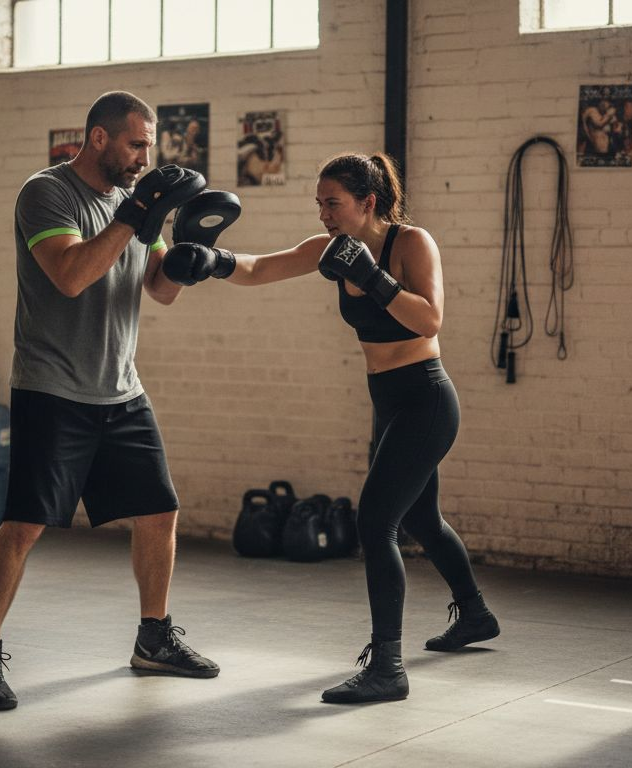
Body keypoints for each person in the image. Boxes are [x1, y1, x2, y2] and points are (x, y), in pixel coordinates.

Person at [161, 152, 500, 704]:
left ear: (368, 202)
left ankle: (387, 667)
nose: (323, 214)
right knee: (421, 518)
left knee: (376, 522)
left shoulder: (412, 244)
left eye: (333, 203)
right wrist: (212, 260)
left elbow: (430, 319)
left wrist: (372, 276)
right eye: (319, 203)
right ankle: (476, 614)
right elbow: (261, 268)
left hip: (427, 399)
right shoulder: (329, 249)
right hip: (388, 403)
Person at [0, 91, 217, 711]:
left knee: (158, 512)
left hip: (121, 387)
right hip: (53, 387)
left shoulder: (136, 205)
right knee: (24, 525)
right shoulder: (47, 193)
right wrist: (136, 212)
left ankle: (153, 639)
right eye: (136, 144)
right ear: (99, 138)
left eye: (150, 146)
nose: (145, 157)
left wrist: (189, 252)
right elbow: (72, 275)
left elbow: (160, 291)